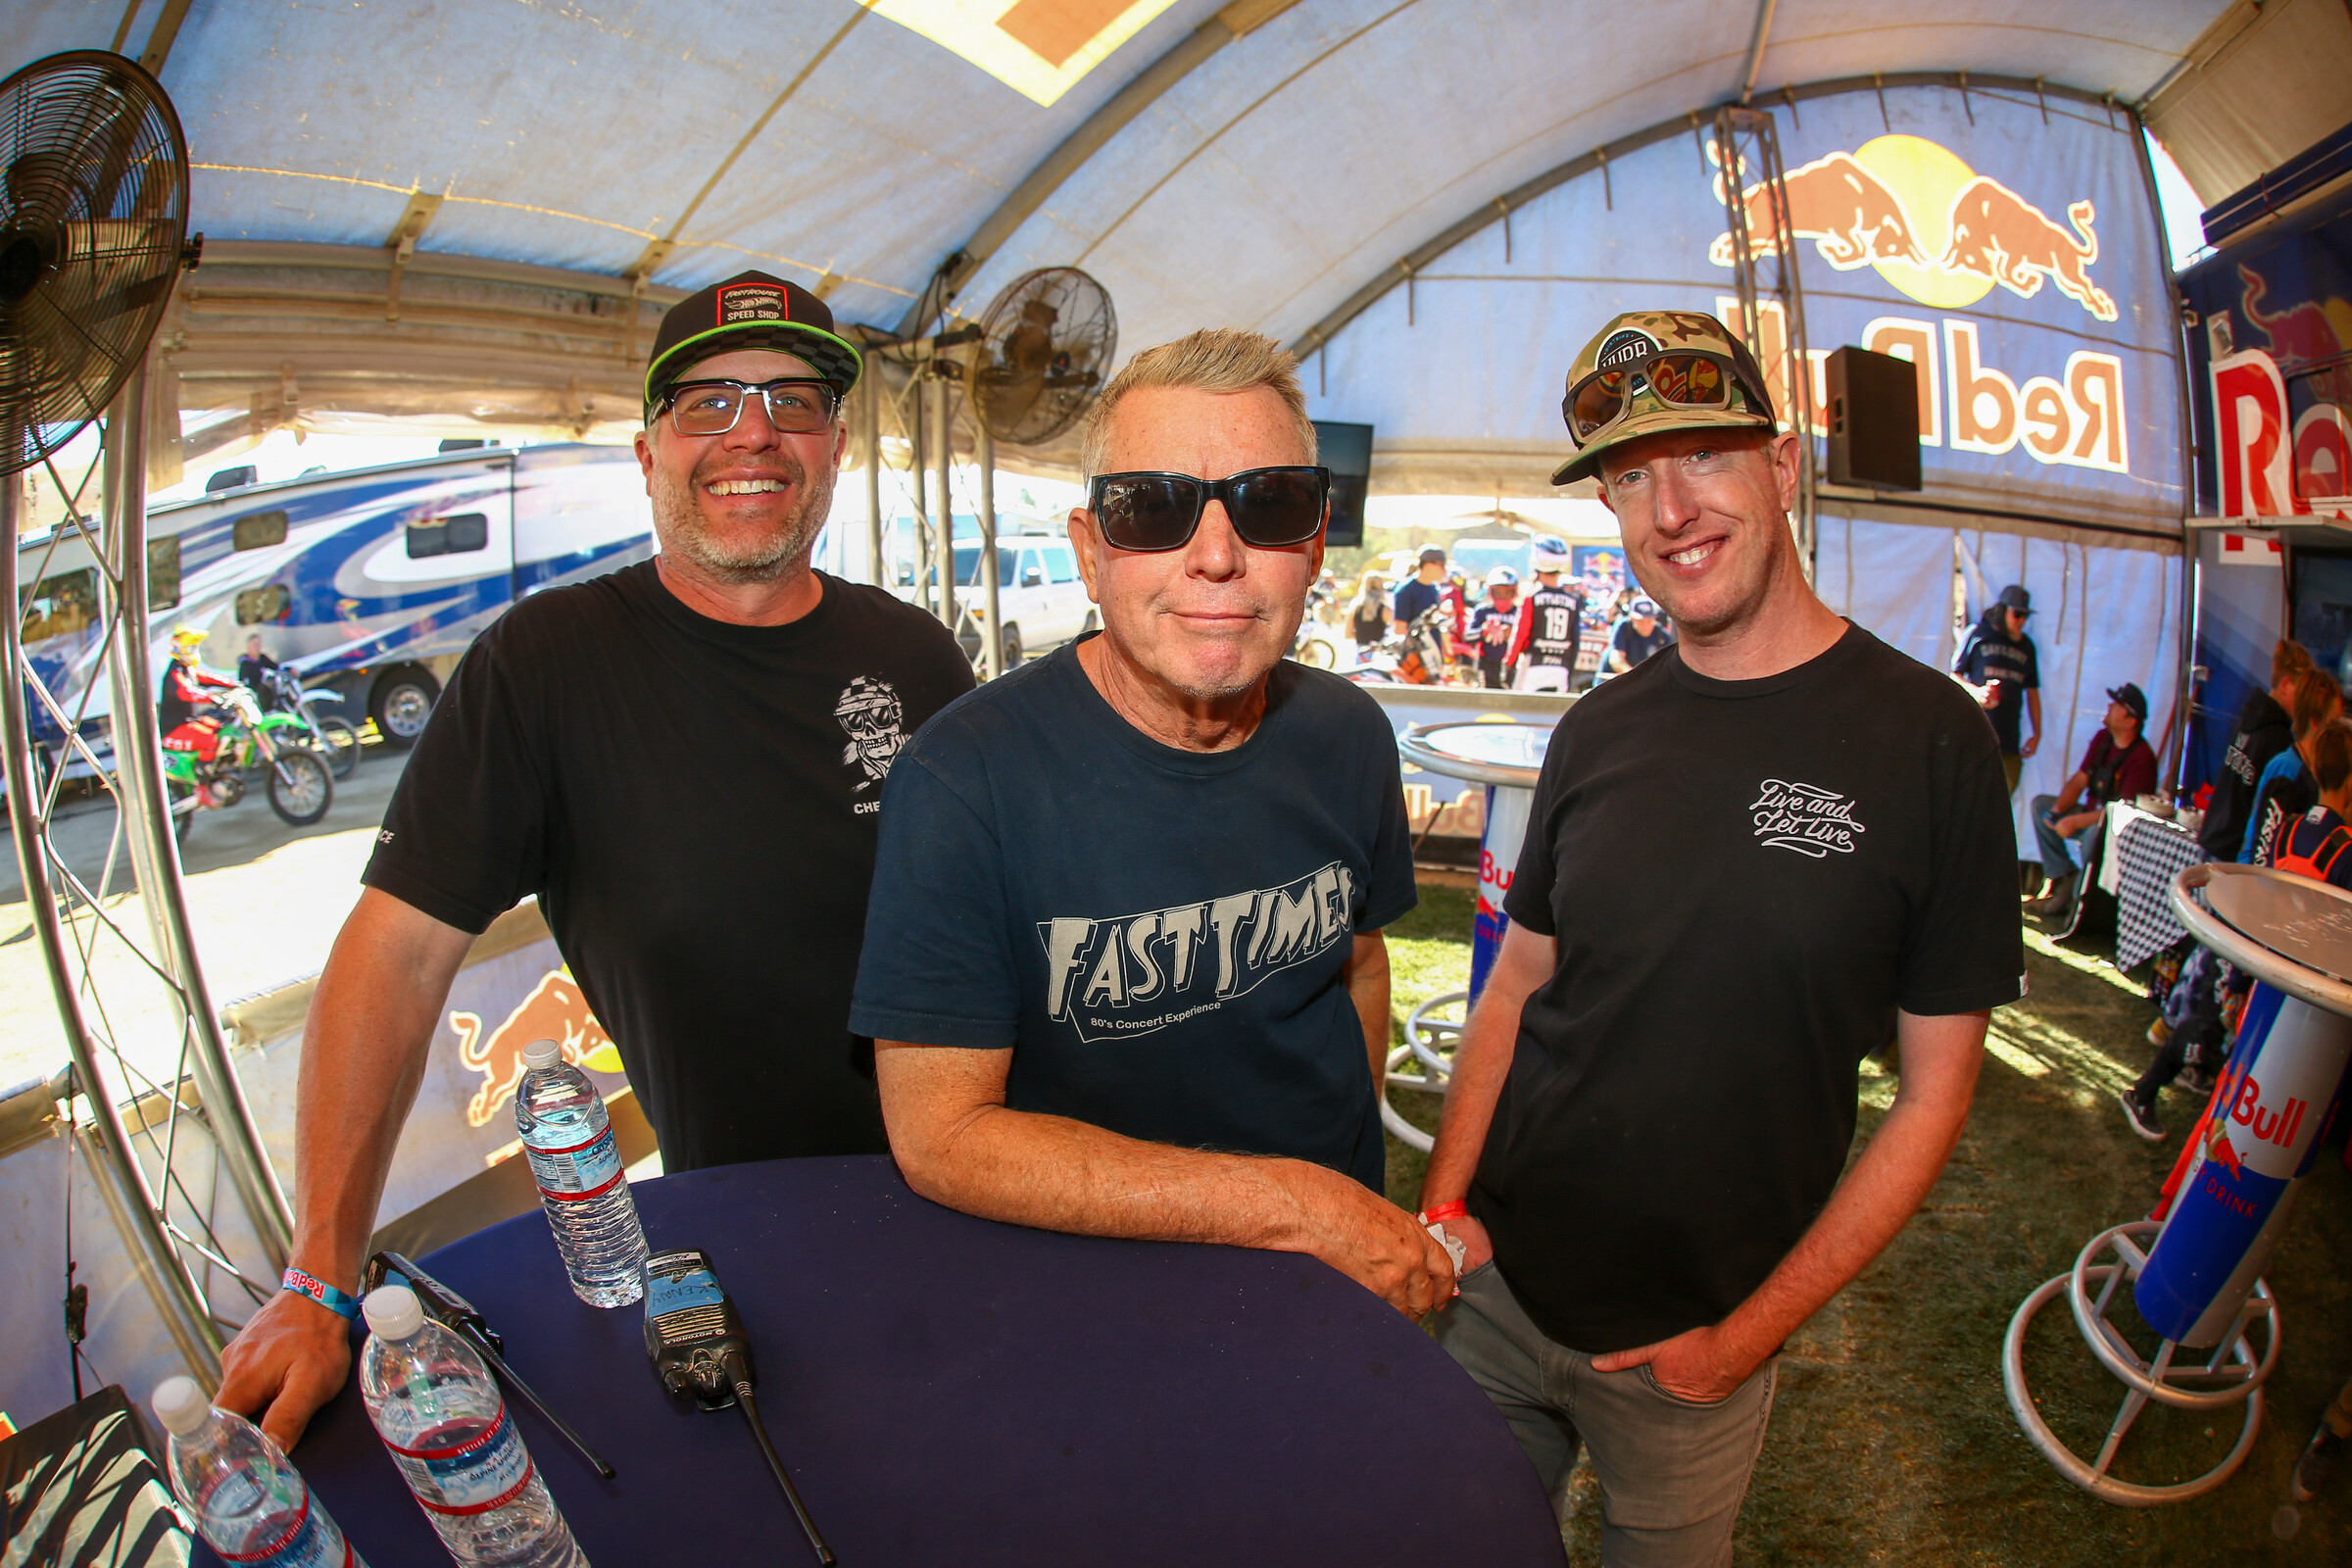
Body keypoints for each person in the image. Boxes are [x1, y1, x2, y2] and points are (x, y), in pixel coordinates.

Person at [214, 270, 975, 1451]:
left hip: (981, 1197)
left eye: (794, 400)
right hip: (753, 1256)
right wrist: (318, 1277)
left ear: (834, 446)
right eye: (709, 403)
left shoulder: (918, 652)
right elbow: (396, 956)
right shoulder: (544, 665)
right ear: (647, 450)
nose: (755, 434)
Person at [1417, 309, 2018, 1563]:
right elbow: (1518, 985)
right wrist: (1447, 1207)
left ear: (1783, 467)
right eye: (1632, 478)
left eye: (1703, 455)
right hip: (1498, 1294)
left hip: (1695, 1350)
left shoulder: (1932, 741)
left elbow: (1935, 1093)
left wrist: (1741, 1341)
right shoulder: (1596, 730)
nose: (1672, 508)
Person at [849, 327, 1451, 1322]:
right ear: (1090, 552)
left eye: (1269, 505)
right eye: (1153, 509)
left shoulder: (1348, 733)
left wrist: (1352, 1174)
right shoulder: (965, 778)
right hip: (1102, 1297)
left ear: (1313, 545)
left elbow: (1360, 964)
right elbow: (941, 1137)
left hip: (1333, 1276)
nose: (1216, 557)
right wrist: (1295, 1206)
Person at [2121, 720, 2352, 1141]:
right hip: (2293, 977)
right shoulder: (2343, 849)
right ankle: (2146, 1091)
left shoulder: (2291, 827)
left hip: (2262, 955)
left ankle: (2180, 1092)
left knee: (2225, 1036)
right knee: (2214, 1033)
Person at [2023, 683, 2159, 917]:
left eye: (2117, 705)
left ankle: (2081, 902)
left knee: (2092, 836)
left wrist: (2075, 822)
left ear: (2130, 721)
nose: (2109, 707)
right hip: (2090, 814)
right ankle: (2064, 878)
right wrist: (2057, 811)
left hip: (2115, 831)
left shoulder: (2142, 758)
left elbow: (2123, 812)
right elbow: (2080, 780)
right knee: (2040, 806)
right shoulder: (2103, 738)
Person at [2198, 639, 2310, 860]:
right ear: (2285, 685)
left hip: (2214, 836)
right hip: (2233, 851)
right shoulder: (2278, 739)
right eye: (2303, 691)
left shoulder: (2249, 718)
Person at [2240, 666, 2345, 866]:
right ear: (2315, 722)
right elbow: (2263, 847)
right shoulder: (2287, 769)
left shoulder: (2312, 768)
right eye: (2333, 722)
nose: (2337, 730)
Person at [1952, 584, 2041, 794]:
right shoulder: (1978, 634)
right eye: (2017, 614)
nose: (2021, 621)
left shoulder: (2027, 646)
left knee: (2002, 800)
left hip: (2008, 741)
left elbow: (2032, 692)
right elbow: (1954, 676)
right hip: (1974, 737)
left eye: (2025, 616)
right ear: (2003, 610)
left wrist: (2037, 733)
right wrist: (1976, 693)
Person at [157, 626, 238, 782]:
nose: (194, 651)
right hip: (173, 729)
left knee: (220, 727)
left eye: (195, 648)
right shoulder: (175, 673)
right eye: (191, 648)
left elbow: (207, 677)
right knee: (208, 739)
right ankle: (203, 784)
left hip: (189, 722)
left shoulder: (188, 669)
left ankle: (221, 771)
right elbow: (186, 692)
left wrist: (232, 684)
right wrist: (213, 698)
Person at [1509, 538, 1585, 694]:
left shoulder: (1532, 598)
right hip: (1561, 667)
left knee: (1519, 706)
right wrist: (1569, 669)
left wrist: (1509, 663)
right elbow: (1575, 640)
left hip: (1533, 665)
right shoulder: (1573, 601)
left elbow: (1520, 634)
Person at [1468, 567, 1521, 688]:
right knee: (1485, 697)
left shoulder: (1519, 612)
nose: (1502, 596)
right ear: (1491, 591)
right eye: (1498, 592)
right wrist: (1484, 632)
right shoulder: (1482, 611)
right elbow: (1468, 636)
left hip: (1511, 667)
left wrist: (1513, 634)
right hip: (1486, 666)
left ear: (1514, 591)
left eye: (1507, 592)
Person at [1605, 596, 1673, 673]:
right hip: (1613, 678)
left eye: (1649, 621)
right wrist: (1635, 676)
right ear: (1632, 618)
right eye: (1640, 621)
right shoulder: (1624, 627)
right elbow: (1616, 659)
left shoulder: (1662, 636)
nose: (1645, 626)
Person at [1393, 546, 1446, 634]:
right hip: (1415, 643)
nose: (1444, 570)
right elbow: (1400, 630)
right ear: (1428, 565)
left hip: (1433, 643)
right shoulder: (1406, 589)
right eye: (1441, 565)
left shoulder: (1433, 588)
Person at [237, 634, 283, 709]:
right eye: (255, 645)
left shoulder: (262, 658)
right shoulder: (245, 665)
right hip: (257, 699)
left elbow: (277, 667)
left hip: (270, 694)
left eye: (259, 644)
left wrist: (290, 670)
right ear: (248, 647)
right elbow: (244, 684)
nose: (257, 647)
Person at [1348, 571, 1390, 653]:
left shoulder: (1355, 607)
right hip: (1379, 653)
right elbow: (1395, 630)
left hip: (1361, 653)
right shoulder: (1385, 609)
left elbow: (1348, 634)